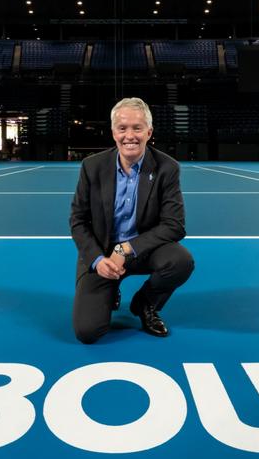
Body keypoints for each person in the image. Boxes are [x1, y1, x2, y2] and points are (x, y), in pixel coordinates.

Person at [69, 97, 194, 343]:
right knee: (87, 332)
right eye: (122, 128)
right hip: (103, 253)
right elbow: (78, 220)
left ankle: (144, 305)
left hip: (142, 249)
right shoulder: (92, 166)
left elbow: (174, 225)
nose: (130, 136)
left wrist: (127, 248)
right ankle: (110, 288)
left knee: (180, 261)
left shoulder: (167, 168)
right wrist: (96, 260)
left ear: (149, 131)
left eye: (137, 128)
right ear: (113, 132)